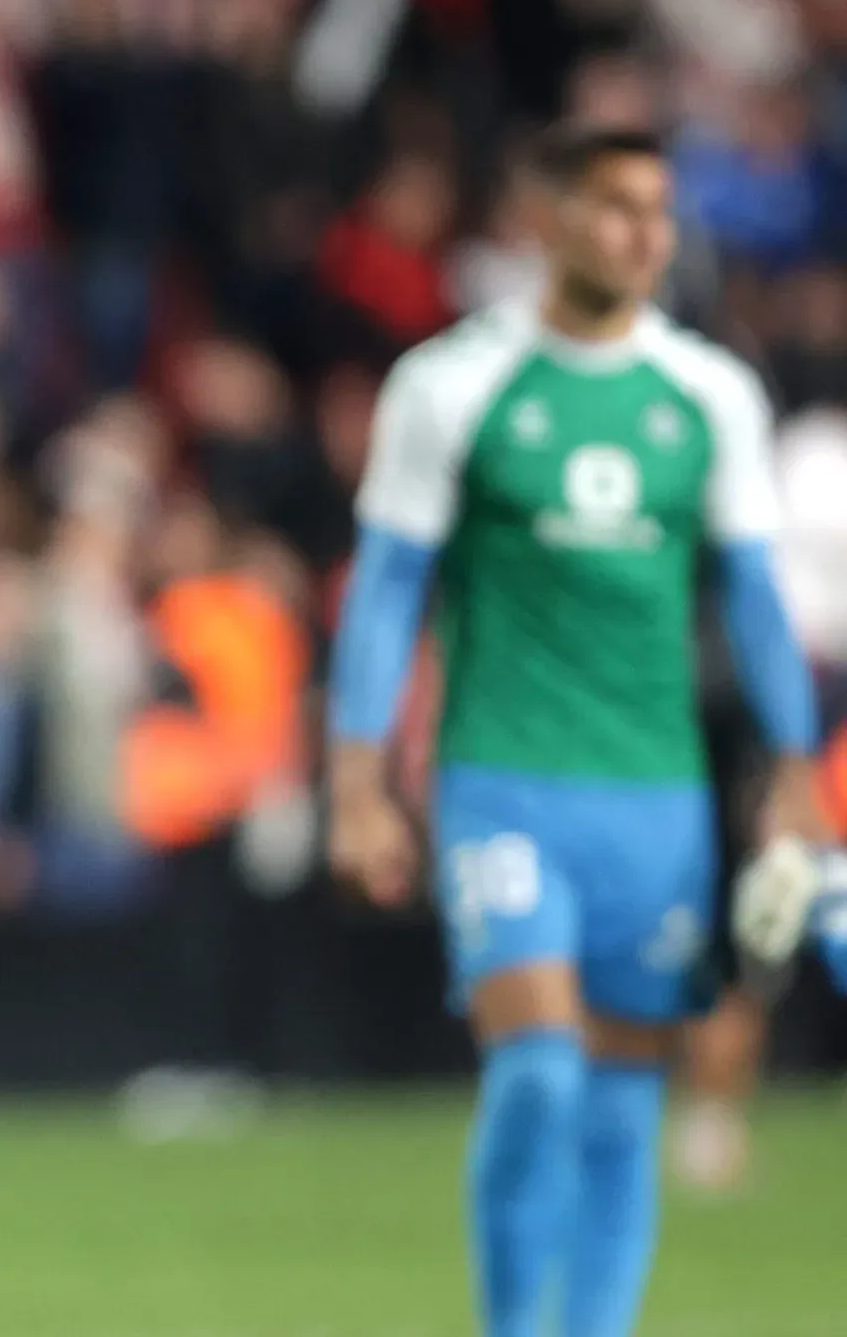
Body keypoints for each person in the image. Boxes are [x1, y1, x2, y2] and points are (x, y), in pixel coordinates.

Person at [325, 126, 829, 1337]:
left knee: (619, 1111)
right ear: (546, 218)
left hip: (655, 797)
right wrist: (353, 779)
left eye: (658, 211)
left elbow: (754, 598)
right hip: (504, 781)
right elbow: (390, 587)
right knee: (538, 1072)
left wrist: (797, 768)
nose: (645, 233)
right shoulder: (452, 384)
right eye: (613, 207)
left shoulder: (708, 393)